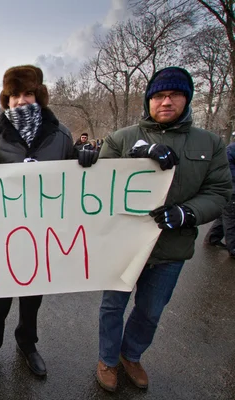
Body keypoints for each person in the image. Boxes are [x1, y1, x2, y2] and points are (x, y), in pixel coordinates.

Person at [96, 66, 231, 392]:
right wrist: (137, 156)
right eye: (158, 95)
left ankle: (131, 355)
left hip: (171, 246)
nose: (166, 101)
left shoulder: (210, 143)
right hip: (124, 246)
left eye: (174, 95)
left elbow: (219, 192)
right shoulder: (122, 138)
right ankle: (107, 360)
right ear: (149, 100)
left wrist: (187, 213)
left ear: (187, 99)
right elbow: (99, 184)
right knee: (112, 306)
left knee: (151, 310)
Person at [0, 65, 98, 380]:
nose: (21, 100)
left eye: (27, 93)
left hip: (42, 235)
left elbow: (75, 182)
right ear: (7, 99)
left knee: (32, 300)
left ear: (38, 96)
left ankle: (27, 345)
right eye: (14, 95)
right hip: (3, 235)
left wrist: (85, 160)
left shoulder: (59, 135)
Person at [204, 141, 235, 255]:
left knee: (225, 216)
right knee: (231, 218)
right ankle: (233, 248)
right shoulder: (231, 150)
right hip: (231, 189)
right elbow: (227, 172)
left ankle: (213, 238)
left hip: (230, 189)